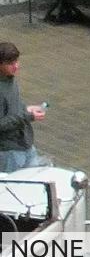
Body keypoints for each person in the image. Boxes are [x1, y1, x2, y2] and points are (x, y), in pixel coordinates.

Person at [0, 43, 46, 171]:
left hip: (25, 145)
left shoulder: (10, 80)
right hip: (9, 152)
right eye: (10, 63)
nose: (16, 66)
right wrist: (27, 116)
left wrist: (26, 109)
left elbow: (12, 108)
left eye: (16, 61)